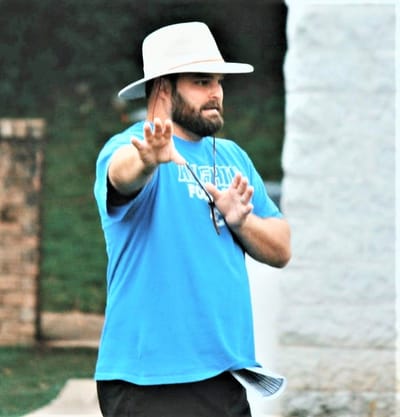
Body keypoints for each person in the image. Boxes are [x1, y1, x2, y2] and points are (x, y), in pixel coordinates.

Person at [94, 21, 291, 417]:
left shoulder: (234, 157)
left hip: (224, 374)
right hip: (149, 381)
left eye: (218, 82)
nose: (216, 92)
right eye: (201, 81)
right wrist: (148, 160)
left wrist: (242, 222)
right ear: (163, 90)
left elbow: (281, 247)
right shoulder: (129, 147)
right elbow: (122, 174)